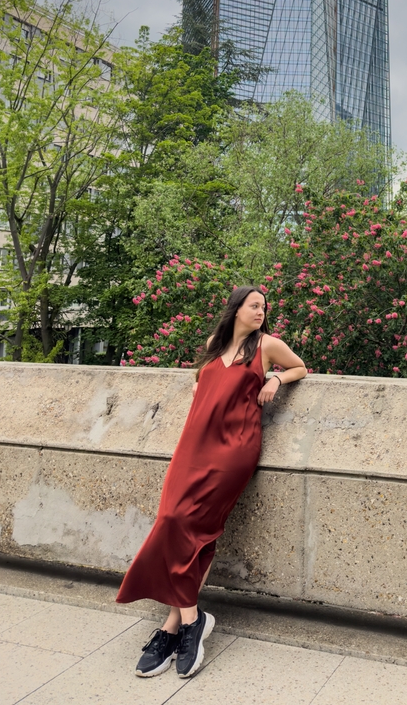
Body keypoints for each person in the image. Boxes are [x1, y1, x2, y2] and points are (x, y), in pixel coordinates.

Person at [116, 286, 307, 679]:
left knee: (193, 526)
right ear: (236, 309)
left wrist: (275, 378)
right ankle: (185, 623)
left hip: (233, 450)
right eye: (254, 305)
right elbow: (203, 387)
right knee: (173, 521)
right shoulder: (212, 344)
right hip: (192, 445)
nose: (261, 311)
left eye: (264, 307)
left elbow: (301, 367)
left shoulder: (268, 345)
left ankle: (181, 626)